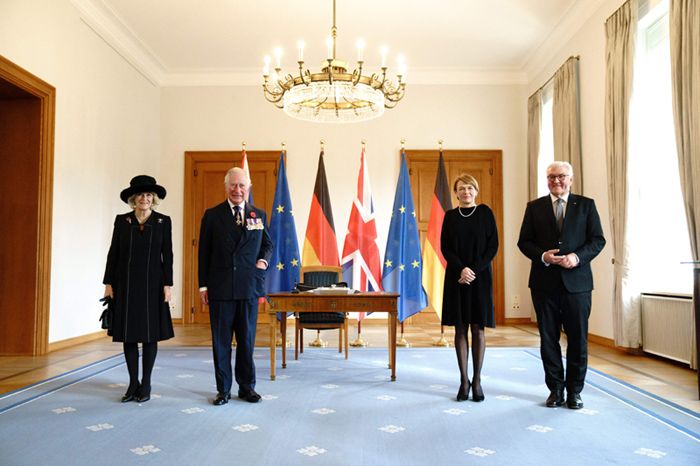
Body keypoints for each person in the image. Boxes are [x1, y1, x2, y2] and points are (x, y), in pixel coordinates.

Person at [517, 161, 605, 409]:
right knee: (548, 339)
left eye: (561, 176)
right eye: (552, 177)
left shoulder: (586, 205)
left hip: (578, 285)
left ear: (571, 179)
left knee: (578, 340)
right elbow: (524, 242)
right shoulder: (534, 207)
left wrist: (576, 257)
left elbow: (597, 240)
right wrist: (543, 256)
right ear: (547, 180)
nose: (556, 181)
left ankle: (575, 391)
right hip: (544, 285)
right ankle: (555, 389)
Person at [198, 167, 273, 406]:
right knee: (221, 342)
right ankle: (223, 390)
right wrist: (203, 287)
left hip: (248, 288)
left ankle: (247, 387)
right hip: (220, 289)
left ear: (248, 188)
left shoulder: (257, 215)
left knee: (247, 341)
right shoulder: (212, 215)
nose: (237, 190)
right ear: (226, 186)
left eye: (242, 186)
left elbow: (268, 245)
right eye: (233, 185)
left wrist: (263, 261)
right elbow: (203, 254)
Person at [103, 175, 174, 403]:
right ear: (133, 198)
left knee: (150, 334)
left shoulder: (164, 221)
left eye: (149, 195)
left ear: (153, 198)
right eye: (141, 195)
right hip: (125, 284)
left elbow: (168, 256)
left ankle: (147, 383)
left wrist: (168, 285)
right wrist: (108, 284)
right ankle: (133, 383)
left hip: (153, 285)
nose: (145, 198)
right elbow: (113, 253)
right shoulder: (122, 221)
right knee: (129, 335)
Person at [440, 174, 499, 402]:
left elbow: (492, 246)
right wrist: (461, 270)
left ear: (476, 190)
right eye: (461, 188)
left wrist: (473, 270)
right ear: (456, 193)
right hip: (457, 278)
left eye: (470, 188)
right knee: (460, 328)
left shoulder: (485, 213)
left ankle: (478, 380)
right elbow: (445, 247)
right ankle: (464, 380)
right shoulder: (450, 216)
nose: (466, 192)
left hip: (480, 278)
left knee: (478, 328)